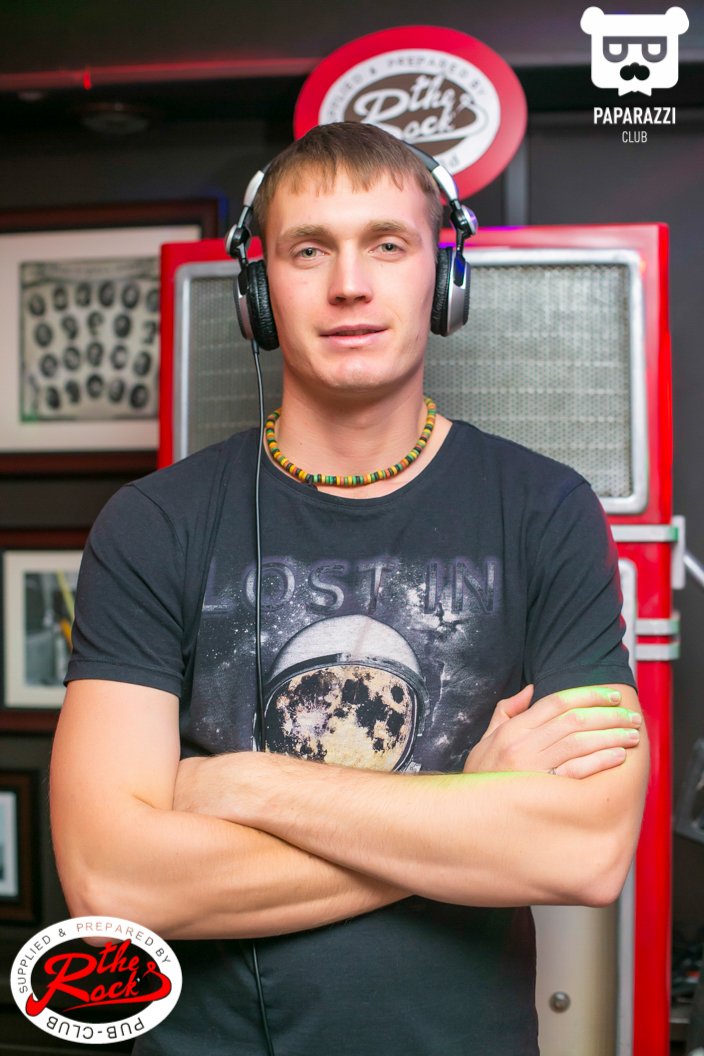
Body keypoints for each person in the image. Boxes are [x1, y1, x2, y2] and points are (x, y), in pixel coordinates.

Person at [50, 122, 648, 1056]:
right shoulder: (153, 523)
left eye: (388, 244)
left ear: (442, 278)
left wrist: (240, 784)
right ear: (259, 292)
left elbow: (586, 851)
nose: (350, 285)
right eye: (308, 250)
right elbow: (114, 883)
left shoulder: (547, 510)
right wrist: (468, 807)